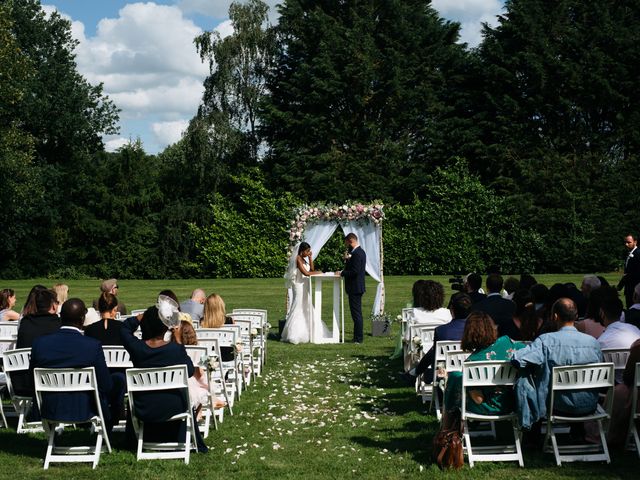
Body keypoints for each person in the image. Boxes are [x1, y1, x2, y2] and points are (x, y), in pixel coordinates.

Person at [29, 298, 125, 434]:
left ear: (61, 317)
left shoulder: (40, 344)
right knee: (118, 380)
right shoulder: (91, 345)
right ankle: (108, 427)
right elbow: (106, 385)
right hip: (85, 408)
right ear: (82, 319)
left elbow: (31, 380)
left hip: (50, 408)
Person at [120, 305, 207, 453]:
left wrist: (138, 318)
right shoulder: (174, 349)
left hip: (144, 406)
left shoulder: (137, 348)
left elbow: (123, 330)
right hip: (173, 406)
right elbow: (190, 371)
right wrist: (178, 340)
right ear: (166, 327)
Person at [511, 298, 603, 431]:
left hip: (557, 405)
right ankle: (577, 432)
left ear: (555, 316)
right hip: (588, 404)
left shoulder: (546, 341)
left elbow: (519, 360)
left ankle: (532, 437)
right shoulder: (593, 343)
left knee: (529, 378)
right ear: (576, 316)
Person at [443, 312, 525, 421]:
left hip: (488, 408)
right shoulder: (510, 343)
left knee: (455, 376)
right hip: (514, 403)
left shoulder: (472, 362)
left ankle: (448, 422)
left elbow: (478, 399)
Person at [408, 292, 473, 381]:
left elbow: (434, 355)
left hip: (447, 372)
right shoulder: (477, 331)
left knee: (433, 353)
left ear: (452, 310)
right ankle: (416, 372)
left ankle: (415, 372)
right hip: (471, 371)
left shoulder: (441, 331)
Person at [282, 241, 327, 344]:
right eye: (307, 251)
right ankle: (294, 334)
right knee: (298, 306)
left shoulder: (304, 259)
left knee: (307, 306)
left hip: (306, 286)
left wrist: (310, 258)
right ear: (301, 251)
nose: (309, 252)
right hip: (299, 286)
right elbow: (306, 273)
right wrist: (319, 273)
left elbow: (311, 269)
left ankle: (309, 330)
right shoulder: (298, 259)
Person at [339, 233, 367, 343]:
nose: (346, 245)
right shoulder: (358, 252)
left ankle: (358, 339)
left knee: (356, 314)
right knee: (356, 313)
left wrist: (342, 273)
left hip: (355, 287)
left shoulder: (357, 254)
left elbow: (354, 271)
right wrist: (347, 260)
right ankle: (357, 337)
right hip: (357, 287)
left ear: (350, 241)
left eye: (346, 242)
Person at [474, 274, 517, 339]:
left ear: (487, 287)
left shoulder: (478, 306)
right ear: (502, 287)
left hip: (486, 341)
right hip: (507, 342)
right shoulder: (511, 305)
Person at [618, 234, 640, 308]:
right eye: (625, 242)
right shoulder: (629, 254)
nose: (626, 244)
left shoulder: (638, 254)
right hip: (629, 288)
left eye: (629, 242)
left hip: (635, 289)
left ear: (635, 242)